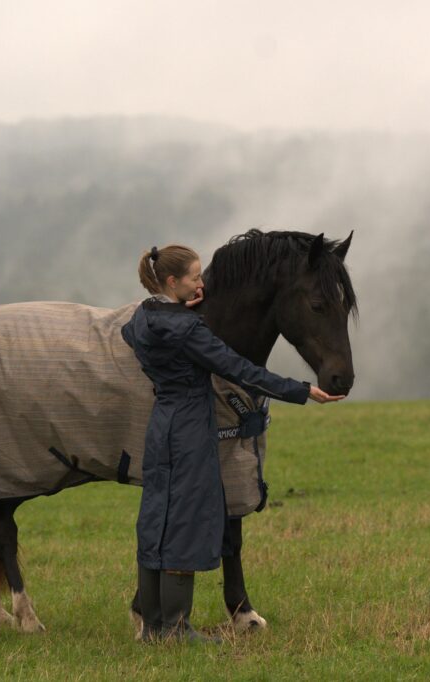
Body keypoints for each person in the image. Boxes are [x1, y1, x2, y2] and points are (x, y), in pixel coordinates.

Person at [120, 243, 345, 644]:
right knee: (185, 523)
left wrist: (179, 306)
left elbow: (130, 332)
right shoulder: (189, 330)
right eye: (193, 277)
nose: (201, 282)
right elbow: (237, 369)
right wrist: (302, 389)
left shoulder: (143, 318)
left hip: (160, 426)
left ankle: (152, 625)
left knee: (156, 516)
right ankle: (175, 628)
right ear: (173, 282)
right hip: (190, 429)